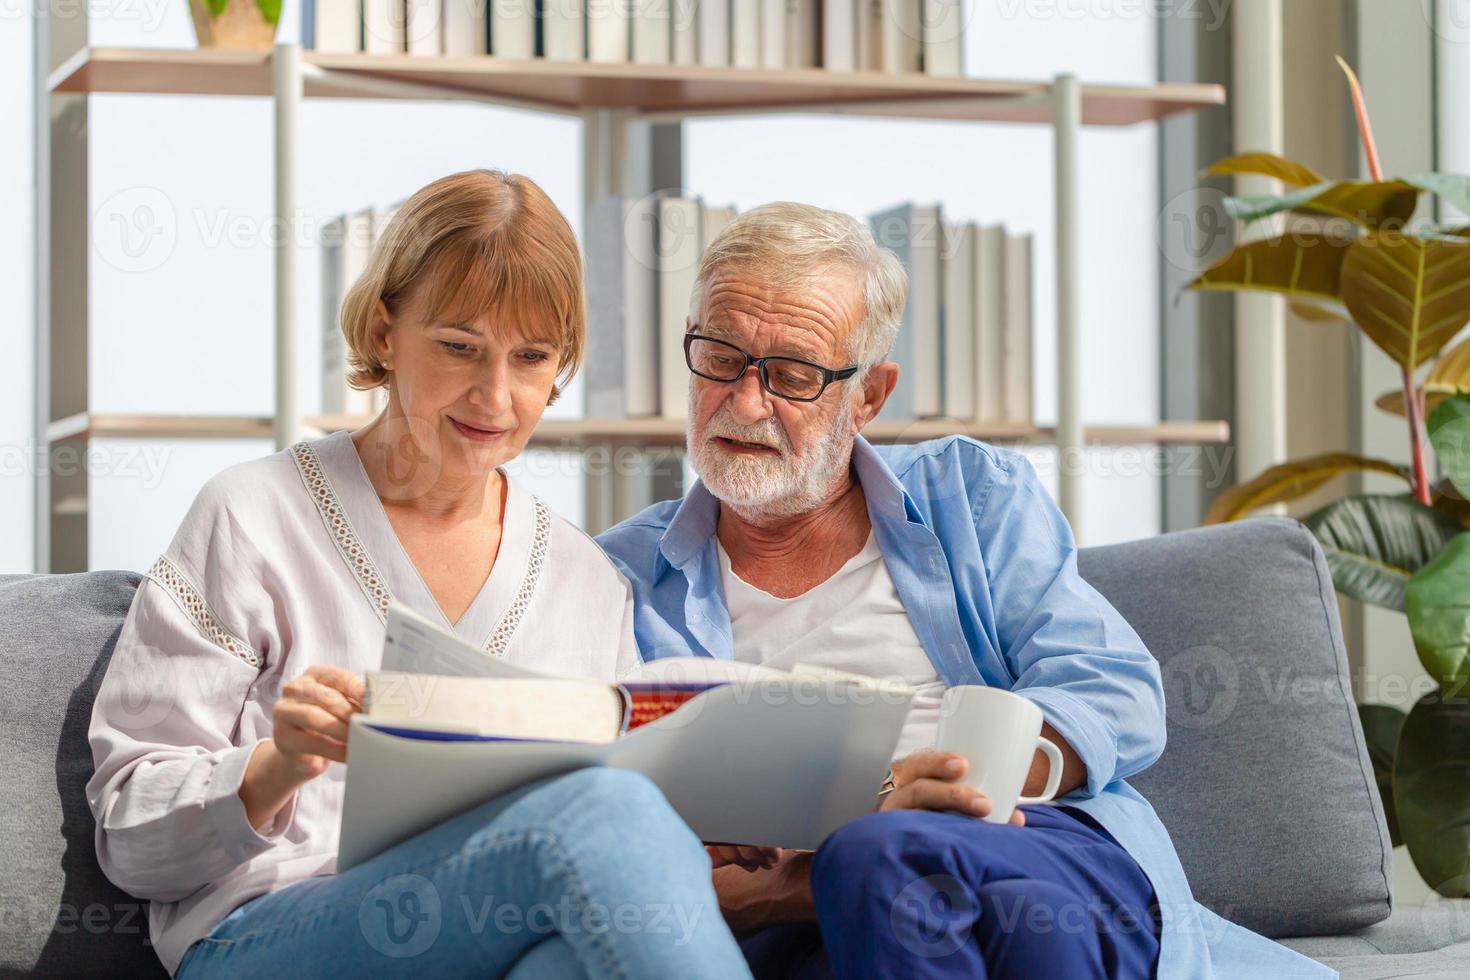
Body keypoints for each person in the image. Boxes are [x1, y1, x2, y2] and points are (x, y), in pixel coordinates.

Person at [596, 202, 1334, 978]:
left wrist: (976, 780)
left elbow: (1113, 687)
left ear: (869, 398)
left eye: (792, 375)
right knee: (875, 884)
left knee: (890, 862)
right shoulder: (619, 579)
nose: (745, 404)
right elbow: (603, 803)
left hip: (1024, 840)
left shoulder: (971, 494)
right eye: (720, 356)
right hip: (812, 929)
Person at [86, 170, 751, 980]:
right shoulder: (250, 516)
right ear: (384, 330)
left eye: (532, 358)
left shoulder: (587, 580)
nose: (496, 395)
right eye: (459, 347)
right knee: (608, 812)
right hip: (263, 935)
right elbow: (127, 834)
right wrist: (277, 766)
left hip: (482, 933)